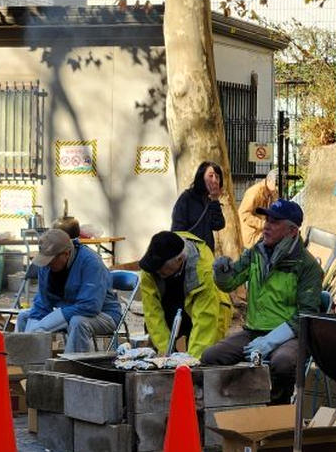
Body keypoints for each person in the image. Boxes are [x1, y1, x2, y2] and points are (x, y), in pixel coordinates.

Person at [201, 199, 323, 404]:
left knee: (282, 363)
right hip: (253, 331)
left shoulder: (307, 265)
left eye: (275, 222)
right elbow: (230, 283)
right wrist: (221, 272)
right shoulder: (256, 253)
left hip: (291, 337)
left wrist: (271, 340)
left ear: (292, 231)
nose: (266, 226)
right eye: (266, 219)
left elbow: (306, 316)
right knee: (211, 357)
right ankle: (234, 407)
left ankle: (276, 410)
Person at [16, 229, 121, 353]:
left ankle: (72, 366)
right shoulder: (46, 266)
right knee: (24, 316)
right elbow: (42, 302)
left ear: (66, 253)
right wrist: (32, 332)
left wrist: (46, 324)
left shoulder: (91, 262)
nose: (47, 264)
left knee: (78, 321)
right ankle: (31, 363)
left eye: (51, 260)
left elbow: (90, 306)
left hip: (103, 314)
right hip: (70, 310)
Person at [138, 231, 232, 359]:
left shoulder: (204, 270)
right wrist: (166, 354)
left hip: (209, 310)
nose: (157, 272)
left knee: (205, 358)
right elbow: (152, 313)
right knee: (161, 354)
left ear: (180, 260)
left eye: (161, 269)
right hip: (171, 305)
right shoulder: (151, 265)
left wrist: (190, 363)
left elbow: (205, 321)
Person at [171, 161, 225, 251]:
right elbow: (177, 229)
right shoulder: (187, 198)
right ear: (201, 177)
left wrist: (215, 201)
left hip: (206, 254)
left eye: (217, 177)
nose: (214, 180)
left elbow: (218, 225)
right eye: (211, 176)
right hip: (189, 254)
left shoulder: (210, 200)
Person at [238, 170, 279, 248]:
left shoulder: (272, 192)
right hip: (251, 236)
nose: (278, 187)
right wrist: (262, 224)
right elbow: (243, 214)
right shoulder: (254, 193)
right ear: (269, 180)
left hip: (263, 235)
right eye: (276, 184)